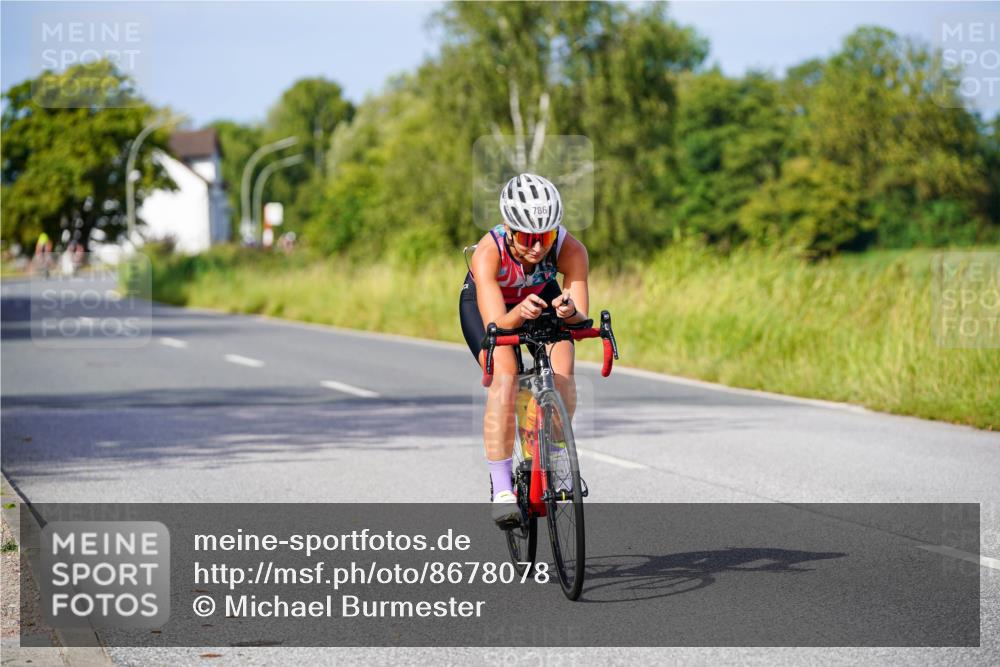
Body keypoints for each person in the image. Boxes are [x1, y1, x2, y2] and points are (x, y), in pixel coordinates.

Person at [459, 173, 590, 525]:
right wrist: (518, 313)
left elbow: (580, 319)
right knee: (505, 378)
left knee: (562, 374)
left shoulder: (571, 249)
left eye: (545, 236)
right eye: (528, 237)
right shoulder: (489, 253)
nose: (537, 246)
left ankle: (551, 453)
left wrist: (569, 312)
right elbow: (497, 324)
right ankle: (501, 486)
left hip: (540, 297)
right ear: (509, 228)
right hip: (492, 307)